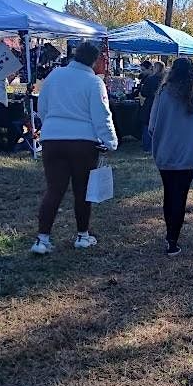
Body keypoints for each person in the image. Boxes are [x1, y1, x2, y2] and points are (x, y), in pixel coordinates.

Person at [31, 41, 118, 255]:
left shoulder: (54, 76)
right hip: (83, 143)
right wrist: (111, 141)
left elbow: (42, 106)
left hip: (52, 140)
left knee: (54, 190)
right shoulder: (93, 82)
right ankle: (82, 235)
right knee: (82, 191)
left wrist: (51, 125)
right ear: (95, 60)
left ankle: (42, 239)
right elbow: (102, 116)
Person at [149, 57, 193, 256]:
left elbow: (151, 126)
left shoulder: (163, 93)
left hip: (165, 152)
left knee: (169, 193)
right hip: (188, 153)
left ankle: (170, 236)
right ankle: (173, 238)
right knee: (180, 196)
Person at [138, 62, 164, 152]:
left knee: (147, 124)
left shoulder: (150, 79)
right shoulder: (165, 80)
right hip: (162, 104)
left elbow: (144, 93)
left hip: (150, 103)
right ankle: (158, 146)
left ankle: (147, 147)